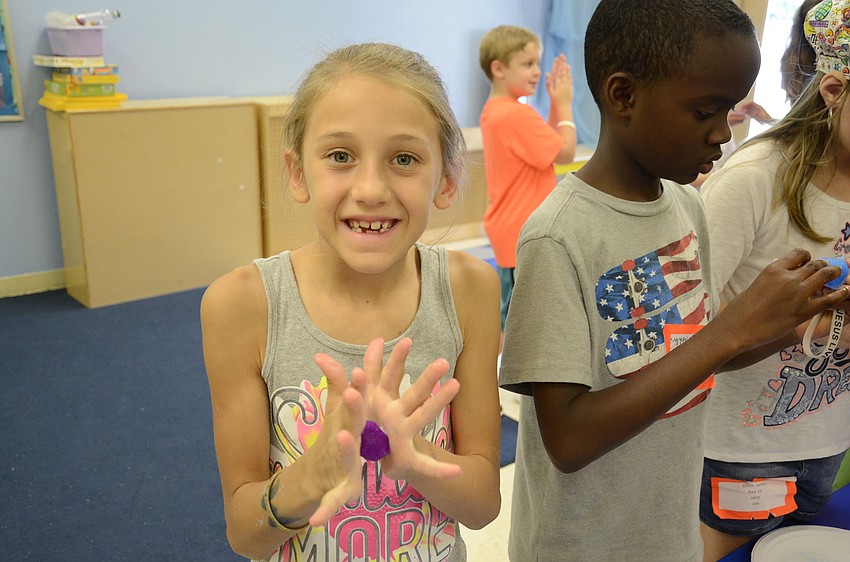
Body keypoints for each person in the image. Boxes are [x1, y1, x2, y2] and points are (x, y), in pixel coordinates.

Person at [497, 1, 850, 560]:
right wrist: (728, 332)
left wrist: (790, 320)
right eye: (706, 111)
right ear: (623, 96)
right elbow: (567, 438)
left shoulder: (686, 205)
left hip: (669, 530)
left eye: (730, 109)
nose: (721, 134)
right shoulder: (558, 237)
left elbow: (693, 356)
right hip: (584, 544)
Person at [200, 43, 502, 562]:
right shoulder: (241, 305)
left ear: (446, 180)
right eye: (340, 156)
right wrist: (312, 475)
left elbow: (481, 507)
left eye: (403, 158)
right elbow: (245, 536)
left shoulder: (469, 289)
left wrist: (409, 456)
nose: (370, 189)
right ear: (298, 173)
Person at [699, 1, 850, 558]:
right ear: (833, 90)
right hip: (741, 448)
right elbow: (684, 342)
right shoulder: (752, 181)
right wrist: (821, 326)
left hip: (827, 434)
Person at [478, 25, 577, 332]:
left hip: (510, 228)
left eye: (537, 63)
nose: (537, 71)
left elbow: (545, 146)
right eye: (528, 64)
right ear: (499, 68)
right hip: (523, 230)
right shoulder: (514, 114)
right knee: (521, 319)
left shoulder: (498, 111)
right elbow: (565, 152)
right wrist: (564, 105)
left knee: (515, 312)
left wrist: (552, 103)